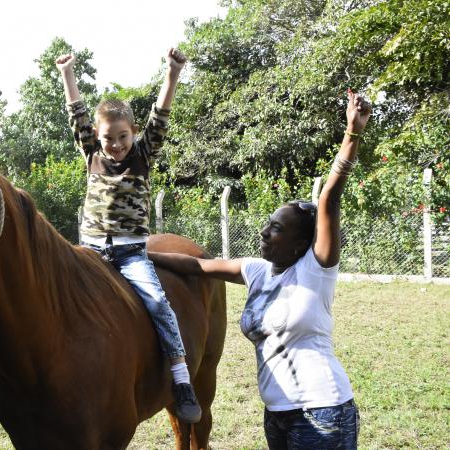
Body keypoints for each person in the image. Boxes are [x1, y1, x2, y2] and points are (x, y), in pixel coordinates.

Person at [149, 90, 370, 448]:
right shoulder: (256, 270)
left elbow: (329, 196)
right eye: (268, 223)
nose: (264, 232)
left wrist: (352, 133)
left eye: (277, 228)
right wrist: (140, 253)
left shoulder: (316, 270)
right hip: (278, 412)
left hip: (323, 410)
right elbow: (197, 264)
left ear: (301, 244)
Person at [56, 48, 201, 423]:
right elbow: (77, 112)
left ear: (133, 133)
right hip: (89, 252)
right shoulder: (91, 153)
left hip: (130, 254)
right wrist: (68, 74)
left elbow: (161, 112)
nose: (115, 145)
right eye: (109, 138)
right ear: (97, 138)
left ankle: (181, 377)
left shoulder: (143, 153)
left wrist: (172, 72)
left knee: (156, 302)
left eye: (122, 136)